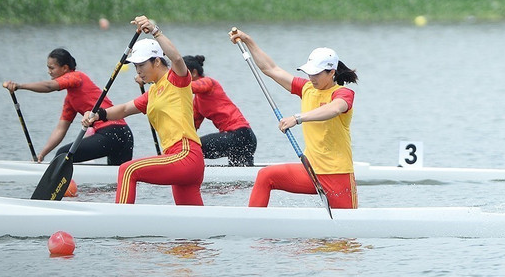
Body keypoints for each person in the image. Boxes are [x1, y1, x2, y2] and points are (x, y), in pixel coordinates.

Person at [228, 28, 359, 209]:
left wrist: (298, 118)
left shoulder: (343, 93)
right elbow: (270, 69)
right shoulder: (306, 88)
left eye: (316, 73)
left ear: (332, 72)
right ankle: (254, 225)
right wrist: (248, 40)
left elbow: (335, 109)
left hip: (337, 174)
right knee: (265, 176)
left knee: (345, 235)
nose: (311, 77)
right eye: (309, 73)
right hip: (310, 170)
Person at [82, 16, 205, 206]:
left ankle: (119, 225)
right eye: (135, 66)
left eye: (141, 65)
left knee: (127, 170)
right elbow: (123, 109)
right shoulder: (153, 92)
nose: (138, 71)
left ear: (157, 62)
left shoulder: (176, 80)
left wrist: (155, 30)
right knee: (194, 227)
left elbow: (177, 58)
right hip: (176, 159)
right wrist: (97, 115)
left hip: (185, 154)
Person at [3, 48, 133, 165]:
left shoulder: (77, 77)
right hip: (124, 134)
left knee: (63, 155)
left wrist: (20, 86)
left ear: (65, 68)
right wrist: (42, 154)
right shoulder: (70, 101)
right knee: (115, 182)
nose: (49, 72)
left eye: (52, 68)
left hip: (112, 133)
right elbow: (60, 130)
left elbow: (49, 86)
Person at [183, 54, 258, 166]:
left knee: (191, 149)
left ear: (193, 73)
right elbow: (192, 129)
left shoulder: (209, 83)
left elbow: (194, 87)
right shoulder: (197, 104)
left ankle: (192, 172)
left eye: (180, 74)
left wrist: (170, 85)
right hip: (237, 140)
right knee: (239, 179)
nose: (177, 78)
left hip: (240, 135)